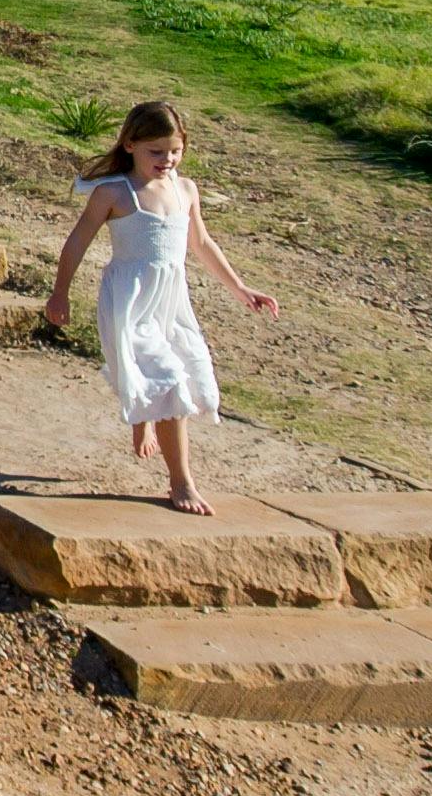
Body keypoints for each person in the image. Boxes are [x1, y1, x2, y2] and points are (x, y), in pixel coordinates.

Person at [37, 101, 275, 514]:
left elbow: (202, 243)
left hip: (171, 302)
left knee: (178, 370)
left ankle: (145, 419)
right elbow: (77, 242)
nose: (167, 160)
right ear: (130, 145)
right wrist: (60, 292)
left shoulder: (186, 190)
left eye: (175, 151)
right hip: (129, 301)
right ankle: (181, 482)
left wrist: (241, 289)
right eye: (156, 151)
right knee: (168, 382)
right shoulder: (114, 193)